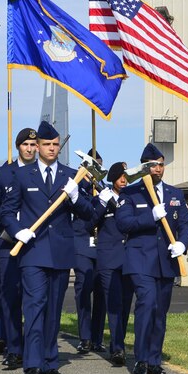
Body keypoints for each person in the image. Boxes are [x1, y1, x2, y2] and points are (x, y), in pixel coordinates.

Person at [1, 121, 94, 374]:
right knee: (34, 306)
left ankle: (50, 361)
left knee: (54, 309)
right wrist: (18, 230)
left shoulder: (71, 175)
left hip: (62, 252)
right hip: (32, 251)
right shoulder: (21, 175)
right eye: (47, 144)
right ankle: (32, 364)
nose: (51, 148)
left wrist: (77, 197)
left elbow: (88, 214)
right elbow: (8, 211)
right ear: (38, 147)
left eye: (55, 144)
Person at [116, 143, 188, 374]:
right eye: (153, 165)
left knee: (160, 312)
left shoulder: (175, 194)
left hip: (165, 262)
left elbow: (185, 225)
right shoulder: (130, 193)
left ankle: (153, 359)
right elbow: (123, 224)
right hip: (140, 260)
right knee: (146, 305)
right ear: (144, 167)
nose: (158, 169)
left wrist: (183, 243)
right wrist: (149, 217)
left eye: (161, 165)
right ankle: (140, 359)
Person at [0, 127, 38, 366]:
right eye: (26, 145)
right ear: (18, 146)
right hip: (5, 243)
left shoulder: (42, 173)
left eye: (34, 145)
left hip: (35, 243)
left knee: (34, 297)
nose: (30, 149)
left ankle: (32, 345)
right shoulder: (4, 173)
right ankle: (9, 343)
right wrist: (8, 218)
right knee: (7, 294)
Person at [92, 161, 134, 366]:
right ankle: (117, 348)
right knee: (114, 304)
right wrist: (101, 204)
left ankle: (119, 342)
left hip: (129, 259)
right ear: (113, 180)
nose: (124, 180)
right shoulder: (102, 197)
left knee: (125, 305)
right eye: (120, 177)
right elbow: (88, 223)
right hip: (109, 259)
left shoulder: (132, 199)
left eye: (126, 176)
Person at [73, 149, 105, 354]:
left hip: (102, 247)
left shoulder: (104, 189)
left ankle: (97, 338)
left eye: (98, 168)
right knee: (83, 289)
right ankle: (85, 337)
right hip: (82, 245)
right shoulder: (76, 189)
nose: (95, 172)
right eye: (92, 168)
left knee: (102, 294)